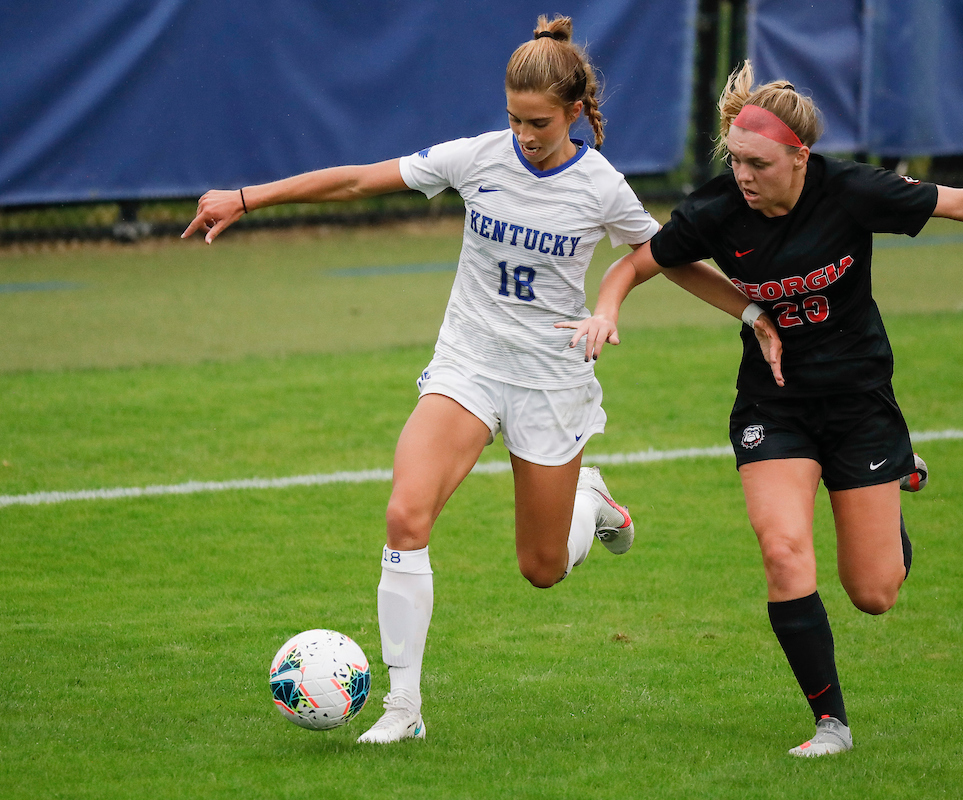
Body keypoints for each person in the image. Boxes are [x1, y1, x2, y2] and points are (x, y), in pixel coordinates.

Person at [182, 16, 766, 745]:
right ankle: (404, 709)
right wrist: (246, 197)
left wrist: (751, 313)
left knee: (543, 569)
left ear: (578, 112)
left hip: (550, 383)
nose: (525, 133)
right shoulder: (478, 157)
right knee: (406, 516)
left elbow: (669, 258)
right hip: (469, 364)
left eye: (541, 122)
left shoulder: (600, 187)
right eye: (515, 118)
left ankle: (594, 501)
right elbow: (364, 179)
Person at [560, 61, 963, 758]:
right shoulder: (718, 210)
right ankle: (830, 723)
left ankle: (893, 474)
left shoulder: (852, 190)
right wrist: (607, 309)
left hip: (860, 404)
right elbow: (634, 264)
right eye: (737, 161)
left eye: (758, 164)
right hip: (773, 406)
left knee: (874, 593)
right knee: (783, 552)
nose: (743, 176)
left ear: (800, 157)